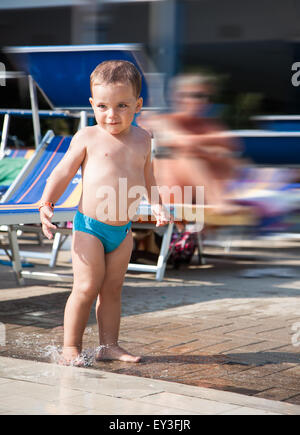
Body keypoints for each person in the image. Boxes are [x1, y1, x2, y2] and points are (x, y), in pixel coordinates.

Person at [39, 60, 170, 365]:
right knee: (86, 286)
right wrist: (47, 202)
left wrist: (158, 205)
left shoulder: (143, 139)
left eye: (122, 105)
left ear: (138, 105)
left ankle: (108, 345)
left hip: (122, 230)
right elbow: (61, 172)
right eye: (103, 106)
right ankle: (71, 346)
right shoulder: (88, 137)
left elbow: (148, 177)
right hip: (90, 228)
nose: (111, 115)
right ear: (92, 104)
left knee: (112, 289)